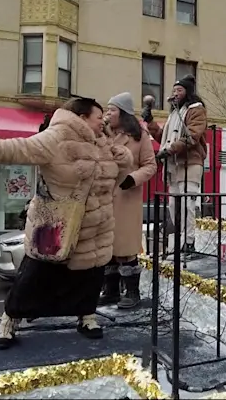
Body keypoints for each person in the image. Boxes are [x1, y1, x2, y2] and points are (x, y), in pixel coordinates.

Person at [0, 97, 133, 350]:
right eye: (99, 117)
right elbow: (22, 148)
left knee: (90, 276)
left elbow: (113, 181)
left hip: (95, 227)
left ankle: (86, 317)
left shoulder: (104, 142)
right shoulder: (58, 136)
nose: (104, 122)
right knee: (35, 276)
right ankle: (9, 321)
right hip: (55, 223)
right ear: (83, 117)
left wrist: (124, 161)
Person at [101, 92, 158, 309]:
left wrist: (132, 179)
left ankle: (132, 292)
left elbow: (150, 165)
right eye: (107, 110)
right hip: (105, 195)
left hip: (127, 196)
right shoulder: (103, 133)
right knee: (107, 245)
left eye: (112, 110)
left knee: (125, 245)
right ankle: (111, 290)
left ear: (123, 113)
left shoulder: (139, 135)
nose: (108, 114)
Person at [142, 75, 208, 258]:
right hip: (174, 165)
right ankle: (179, 241)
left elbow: (192, 136)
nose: (175, 94)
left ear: (188, 92)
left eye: (179, 90)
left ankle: (190, 242)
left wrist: (169, 150)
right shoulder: (173, 115)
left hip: (190, 163)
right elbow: (163, 136)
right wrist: (150, 122)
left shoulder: (196, 110)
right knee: (173, 206)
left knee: (188, 205)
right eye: (174, 91)